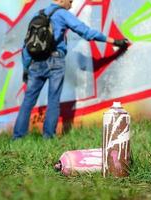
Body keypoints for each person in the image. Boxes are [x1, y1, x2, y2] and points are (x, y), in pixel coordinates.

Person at [13, 0, 129, 140]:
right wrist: (114, 41)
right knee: (53, 100)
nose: (71, 4)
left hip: (35, 62)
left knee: (28, 101)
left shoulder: (38, 14)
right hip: (55, 61)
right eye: (70, 1)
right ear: (61, 0)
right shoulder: (62, 14)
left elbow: (26, 45)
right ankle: (48, 136)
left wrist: (26, 68)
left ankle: (18, 137)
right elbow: (86, 32)